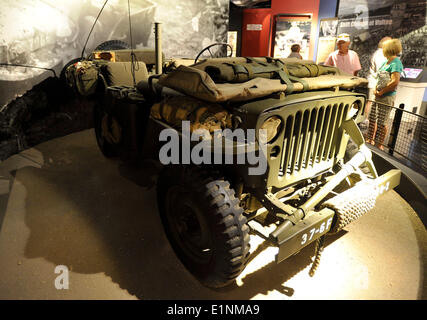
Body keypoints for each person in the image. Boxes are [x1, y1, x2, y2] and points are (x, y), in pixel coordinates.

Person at [366, 38, 404, 150]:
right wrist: (375, 89)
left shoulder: (396, 62)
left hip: (386, 97)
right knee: (373, 117)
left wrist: (382, 92)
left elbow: (395, 81)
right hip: (378, 95)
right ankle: (370, 139)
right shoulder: (385, 62)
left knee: (383, 121)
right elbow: (378, 78)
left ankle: (379, 144)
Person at [365, 36, 391, 145]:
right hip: (378, 87)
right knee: (375, 115)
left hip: (379, 88)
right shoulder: (381, 54)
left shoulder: (381, 54)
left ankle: (373, 139)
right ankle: (373, 139)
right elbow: (382, 73)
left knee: (377, 116)